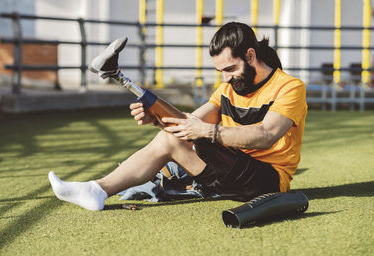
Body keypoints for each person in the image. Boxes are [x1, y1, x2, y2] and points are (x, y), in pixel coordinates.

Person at [48, 22, 307, 211]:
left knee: (174, 140)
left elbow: (266, 135)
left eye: (230, 69)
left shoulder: (289, 87)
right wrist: (157, 119)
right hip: (230, 168)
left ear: (250, 55)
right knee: (168, 136)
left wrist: (207, 132)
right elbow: (189, 122)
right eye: (221, 71)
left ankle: (96, 190)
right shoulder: (227, 89)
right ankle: (96, 189)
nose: (226, 78)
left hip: (267, 181)